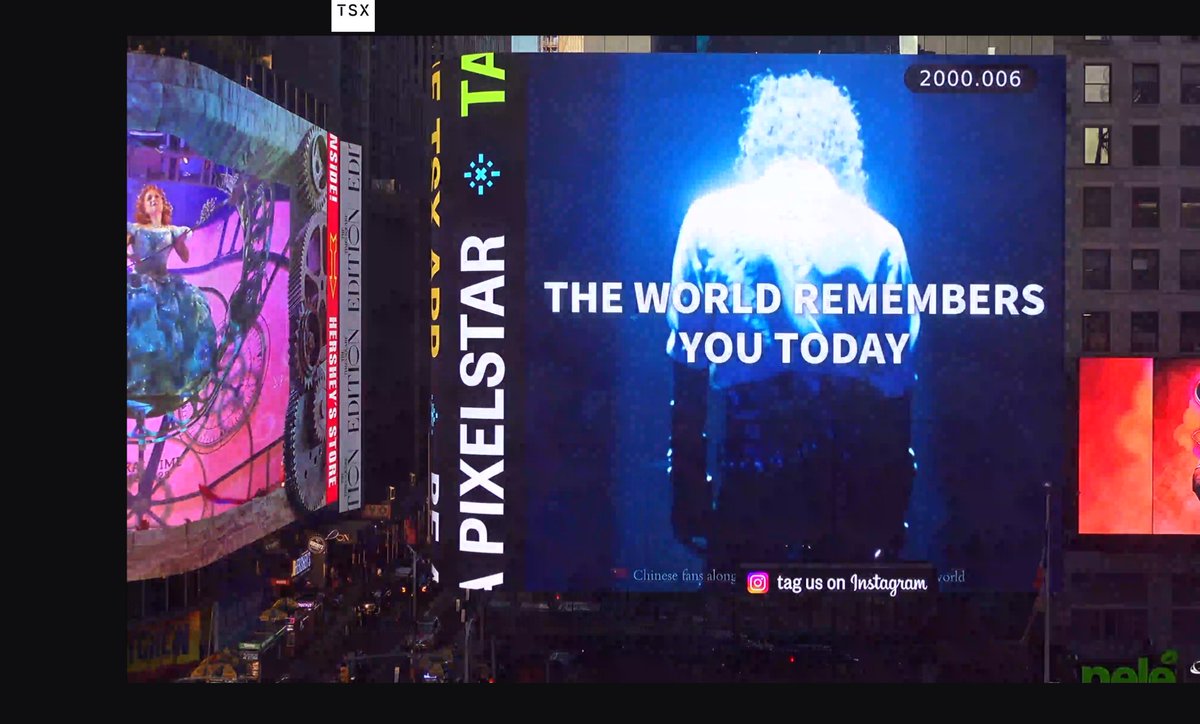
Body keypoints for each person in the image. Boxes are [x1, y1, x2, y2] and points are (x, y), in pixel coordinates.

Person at [668, 71, 921, 569]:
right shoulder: (881, 238)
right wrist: (891, 514)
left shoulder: (707, 220)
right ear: (841, 145)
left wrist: (686, 491)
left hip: (747, 478)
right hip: (846, 491)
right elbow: (896, 393)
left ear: (759, 139)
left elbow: (688, 372)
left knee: (738, 632)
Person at [127, 183, 217, 418]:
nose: (153, 200)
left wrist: (180, 240)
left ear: (163, 203)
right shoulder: (135, 229)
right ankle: (138, 382)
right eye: (149, 198)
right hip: (140, 284)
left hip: (164, 283)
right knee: (142, 318)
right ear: (144, 206)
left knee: (184, 317)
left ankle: (166, 382)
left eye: (156, 197)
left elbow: (185, 257)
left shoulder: (172, 230)